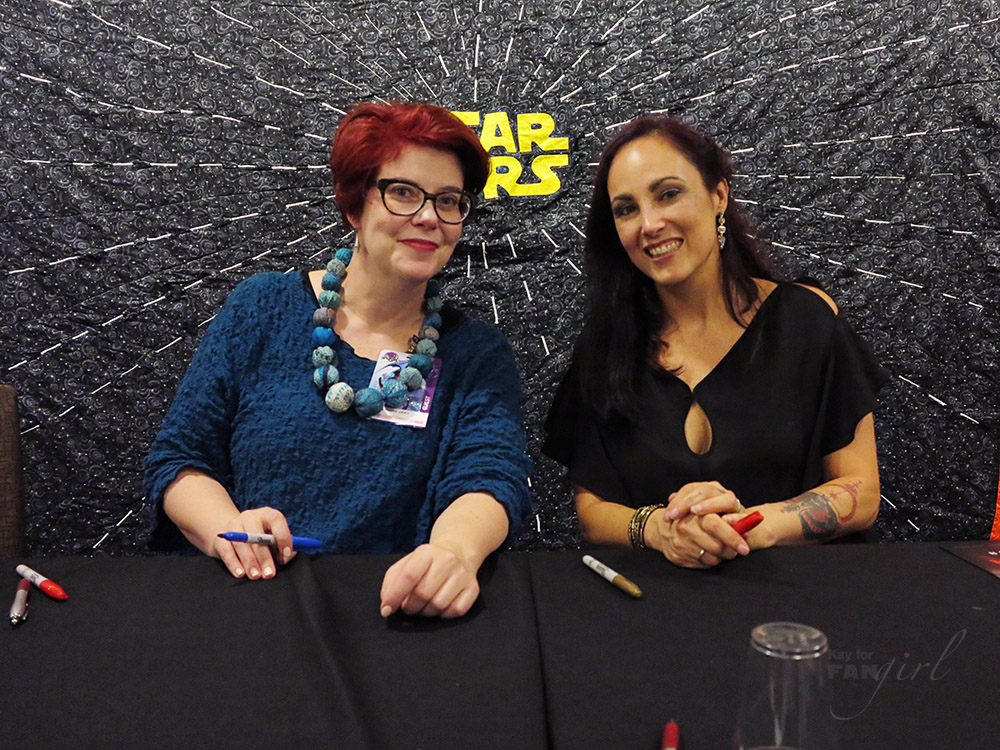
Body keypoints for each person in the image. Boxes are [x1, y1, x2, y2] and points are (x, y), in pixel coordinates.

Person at [145, 102, 531, 618]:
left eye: (449, 200)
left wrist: (454, 553)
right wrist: (227, 530)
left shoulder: (475, 352)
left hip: (396, 611)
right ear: (354, 204)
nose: (428, 217)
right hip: (249, 601)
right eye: (402, 193)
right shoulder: (263, 306)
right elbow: (180, 458)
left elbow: (489, 476)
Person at [544, 115, 887, 568]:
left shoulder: (806, 319)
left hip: (801, 610)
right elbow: (592, 512)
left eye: (668, 193)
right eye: (626, 209)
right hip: (658, 612)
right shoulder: (606, 348)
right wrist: (659, 529)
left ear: (718, 195)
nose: (649, 223)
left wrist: (756, 524)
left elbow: (860, 492)